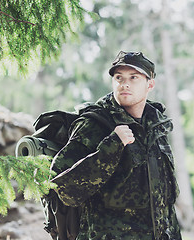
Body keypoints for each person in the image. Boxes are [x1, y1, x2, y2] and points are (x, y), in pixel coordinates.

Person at [50, 51, 182, 240]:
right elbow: (64, 190)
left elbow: (166, 207)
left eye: (134, 77)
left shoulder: (156, 127)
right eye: (119, 77)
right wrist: (111, 147)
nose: (124, 84)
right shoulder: (94, 124)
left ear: (149, 85)